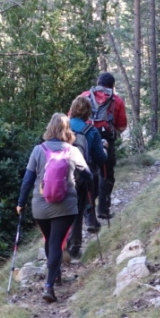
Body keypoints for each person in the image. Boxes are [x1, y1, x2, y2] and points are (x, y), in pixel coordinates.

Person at [17, 113, 93, 303]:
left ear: (49, 128)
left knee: (50, 239)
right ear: (67, 130)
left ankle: (55, 273)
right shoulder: (72, 150)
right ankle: (49, 285)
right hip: (66, 205)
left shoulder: (38, 150)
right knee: (56, 242)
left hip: (40, 205)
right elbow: (88, 175)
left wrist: (20, 203)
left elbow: (27, 181)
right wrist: (88, 190)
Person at [79, 72, 127, 220]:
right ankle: (103, 210)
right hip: (106, 140)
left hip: (85, 140)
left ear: (98, 83)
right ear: (112, 86)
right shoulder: (116, 100)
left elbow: (71, 117)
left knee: (88, 176)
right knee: (106, 175)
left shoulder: (84, 96)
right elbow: (121, 126)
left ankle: (88, 214)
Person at [66, 95, 108, 258]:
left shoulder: (61, 127)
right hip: (83, 176)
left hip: (60, 175)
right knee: (77, 210)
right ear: (88, 112)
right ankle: (74, 246)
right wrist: (104, 147)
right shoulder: (91, 131)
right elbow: (101, 159)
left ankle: (58, 245)